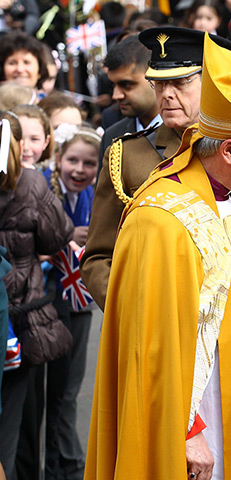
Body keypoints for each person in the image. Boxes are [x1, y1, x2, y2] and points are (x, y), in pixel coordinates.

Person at [85, 34, 231, 479]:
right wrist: (188, 429)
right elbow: (150, 340)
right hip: (203, 408)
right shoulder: (161, 217)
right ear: (229, 150)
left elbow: (228, 291)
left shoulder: (228, 196)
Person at [81, 26, 231, 310]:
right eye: (159, 84)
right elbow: (98, 258)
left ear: (213, 82)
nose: (166, 95)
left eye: (180, 83)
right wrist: (136, 314)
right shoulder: (126, 156)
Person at [0, 117, 74, 479]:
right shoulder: (30, 183)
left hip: (14, 317)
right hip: (18, 319)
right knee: (12, 427)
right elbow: (56, 236)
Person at [42, 124, 100, 480]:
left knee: (69, 388)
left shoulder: (92, 194)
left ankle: (66, 461)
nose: (79, 170)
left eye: (89, 163)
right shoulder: (47, 192)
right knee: (52, 390)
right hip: (48, 297)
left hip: (78, 299)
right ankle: (67, 463)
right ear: (59, 158)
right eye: (73, 161)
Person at [99, 34, 161, 168]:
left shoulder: (186, 130)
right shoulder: (112, 136)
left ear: (155, 78)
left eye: (126, 84)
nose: (116, 95)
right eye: (113, 85)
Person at [12, 104, 52, 169]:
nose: (25, 147)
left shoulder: (49, 175)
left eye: (34, 139)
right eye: (17, 138)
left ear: (46, 142)